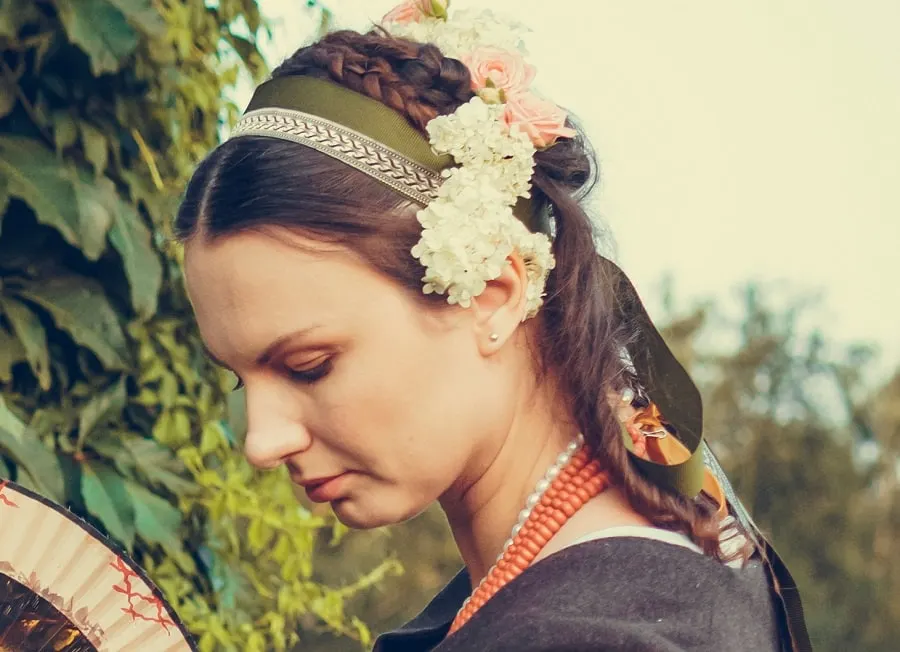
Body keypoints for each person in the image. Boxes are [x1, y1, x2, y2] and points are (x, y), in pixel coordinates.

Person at [175, 2, 811, 650]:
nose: (260, 441)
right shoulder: (687, 532)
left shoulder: (584, 634)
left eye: (308, 365)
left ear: (493, 295)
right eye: (238, 379)